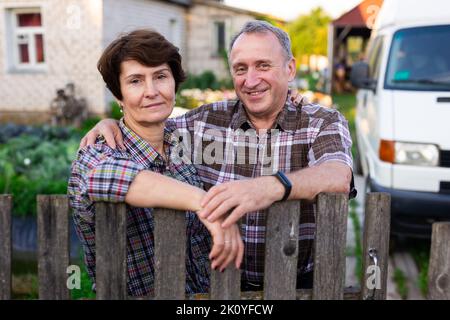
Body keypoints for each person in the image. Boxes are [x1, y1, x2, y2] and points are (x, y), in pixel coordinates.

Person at [81, 21, 356, 291]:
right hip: (218, 285)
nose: (251, 80)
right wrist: (113, 124)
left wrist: (270, 187)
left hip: (298, 285)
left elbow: (337, 175)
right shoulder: (202, 123)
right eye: (240, 69)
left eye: (263, 65)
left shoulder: (321, 122)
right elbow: (146, 127)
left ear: (290, 69)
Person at [68, 29, 244, 297]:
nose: (151, 91)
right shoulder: (95, 154)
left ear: (174, 83)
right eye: (136, 81)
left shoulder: (184, 142)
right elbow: (119, 178)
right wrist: (208, 206)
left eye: (160, 76)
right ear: (119, 95)